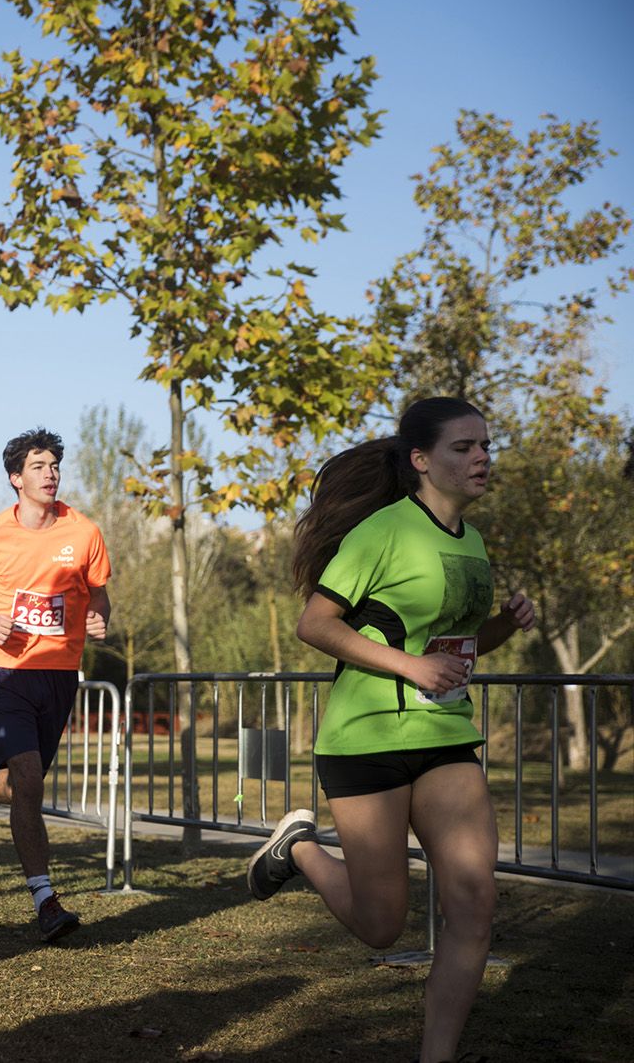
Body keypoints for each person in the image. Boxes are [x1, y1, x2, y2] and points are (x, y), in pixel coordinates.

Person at [252, 397, 534, 1063]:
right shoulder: (381, 532)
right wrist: (409, 666)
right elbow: (316, 624)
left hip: (445, 737)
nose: (482, 457)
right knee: (381, 926)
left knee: (474, 900)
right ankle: (300, 849)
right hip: (368, 739)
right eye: (464, 447)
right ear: (421, 460)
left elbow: (455, 651)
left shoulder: (472, 542)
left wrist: (503, 625)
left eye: (486, 446)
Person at [0, 428, 111, 942]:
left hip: (59, 674)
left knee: (26, 782)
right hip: (5, 673)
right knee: (28, 777)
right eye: (38, 466)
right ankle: (45, 899)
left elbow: (98, 594)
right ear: (16, 478)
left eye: (54, 465)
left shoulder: (84, 532)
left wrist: (99, 617)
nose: (50, 474)